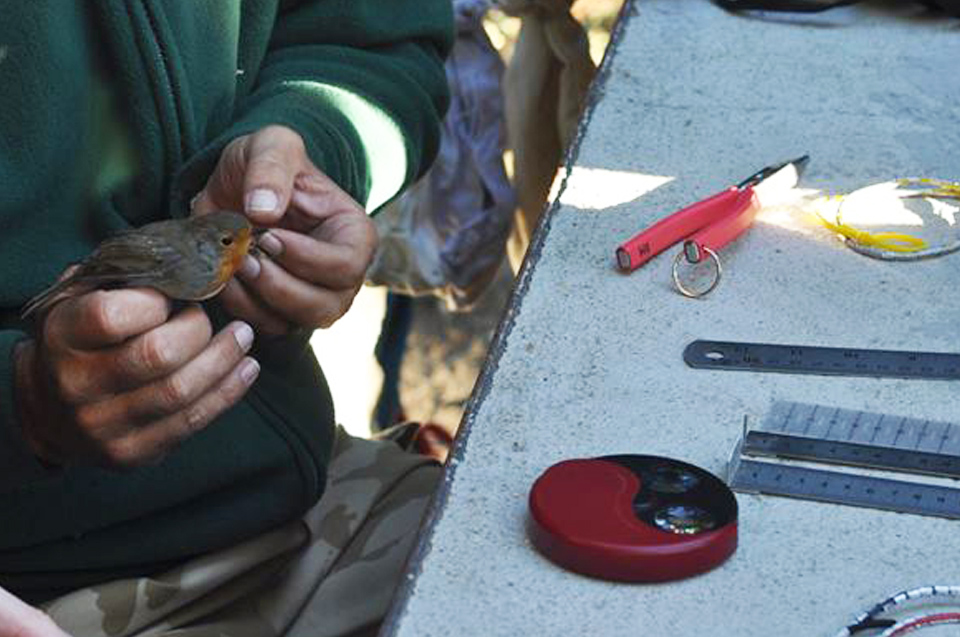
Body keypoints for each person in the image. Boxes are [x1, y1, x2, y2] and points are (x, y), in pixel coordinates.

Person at [0, 2, 452, 636]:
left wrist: (312, 143)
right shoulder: (192, 268)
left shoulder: (217, 257)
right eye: (229, 242)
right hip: (51, 588)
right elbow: (127, 262)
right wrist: (20, 404)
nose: (246, 243)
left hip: (291, 498)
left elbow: (375, 36)